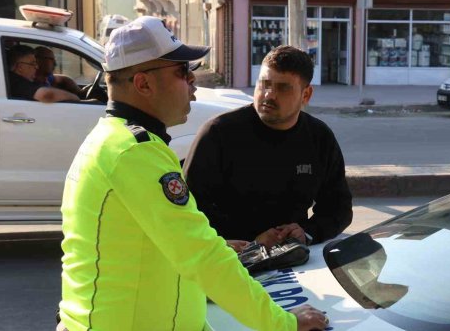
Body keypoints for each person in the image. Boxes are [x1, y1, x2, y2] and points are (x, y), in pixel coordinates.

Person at [58, 17, 329, 331]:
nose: (193, 81)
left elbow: (163, 248)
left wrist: (215, 245)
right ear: (143, 84)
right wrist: (283, 323)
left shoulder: (123, 141)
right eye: (182, 72)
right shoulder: (134, 152)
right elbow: (203, 258)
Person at [184, 45, 353, 249]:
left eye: (283, 88)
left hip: (293, 258)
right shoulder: (218, 133)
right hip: (229, 259)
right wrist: (253, 242)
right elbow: (189, 210)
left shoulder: (319, 137)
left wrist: (306, 232)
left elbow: (339, 207)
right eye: (264, 84)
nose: (268, 95)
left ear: (306, 95)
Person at [6, 44, 81, 103]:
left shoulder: (21, 79)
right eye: (33, 64)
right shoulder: (15, 81)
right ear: (20, 67)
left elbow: (62, 79)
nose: (37, 67)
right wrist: (77, 100)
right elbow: (47, 95)